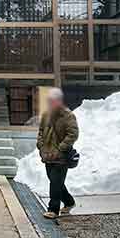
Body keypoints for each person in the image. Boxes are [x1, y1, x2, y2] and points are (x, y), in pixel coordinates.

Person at [36, 87, 79, 219]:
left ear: (59, 101)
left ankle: (53, 209)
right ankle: (69, 202)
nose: (50, 103)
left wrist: (61, 148)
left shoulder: (68, 115)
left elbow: (73, 134)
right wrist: (41, 146)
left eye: (52, 100)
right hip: (47, 155)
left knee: (55, 183)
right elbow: (41, 132)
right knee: (56, 182)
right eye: (49, 100)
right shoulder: (46, 115)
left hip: (61, 157)